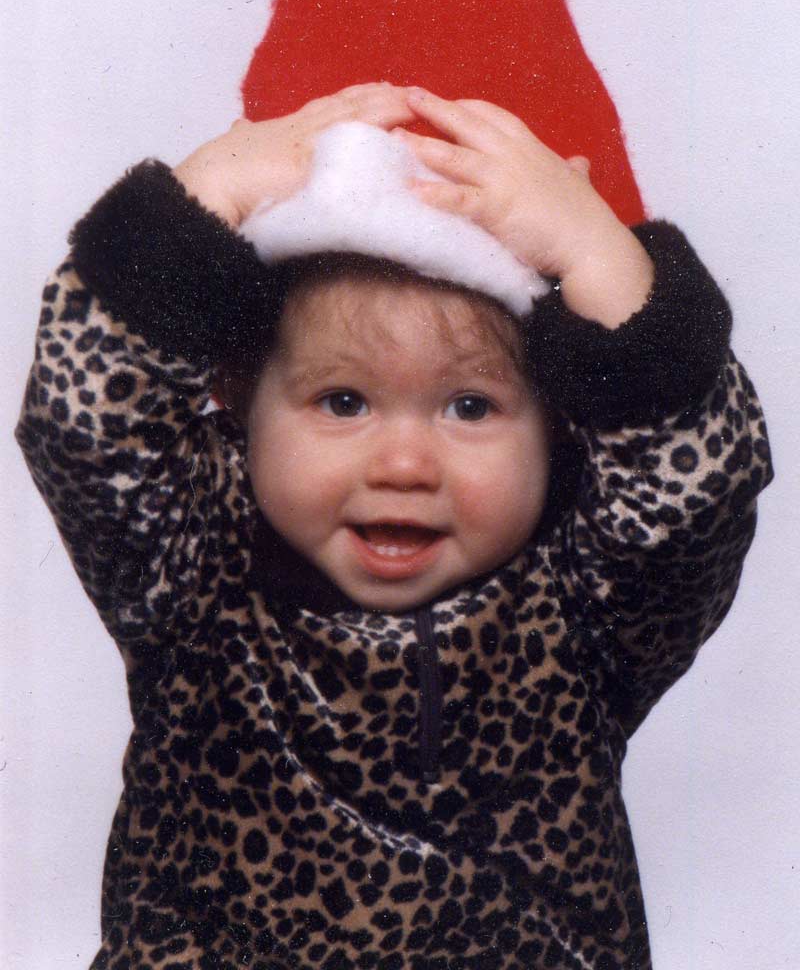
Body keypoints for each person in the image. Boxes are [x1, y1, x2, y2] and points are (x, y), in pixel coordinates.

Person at [16, 82, 772, 970]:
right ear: (234, 402)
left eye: (470, 406)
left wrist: (592, 250)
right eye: (343, 401)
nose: (405, 465)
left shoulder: (586, 609)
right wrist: (205, 194)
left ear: (562, 432)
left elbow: (696, 487)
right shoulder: (197, 570)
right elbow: (86, 417)